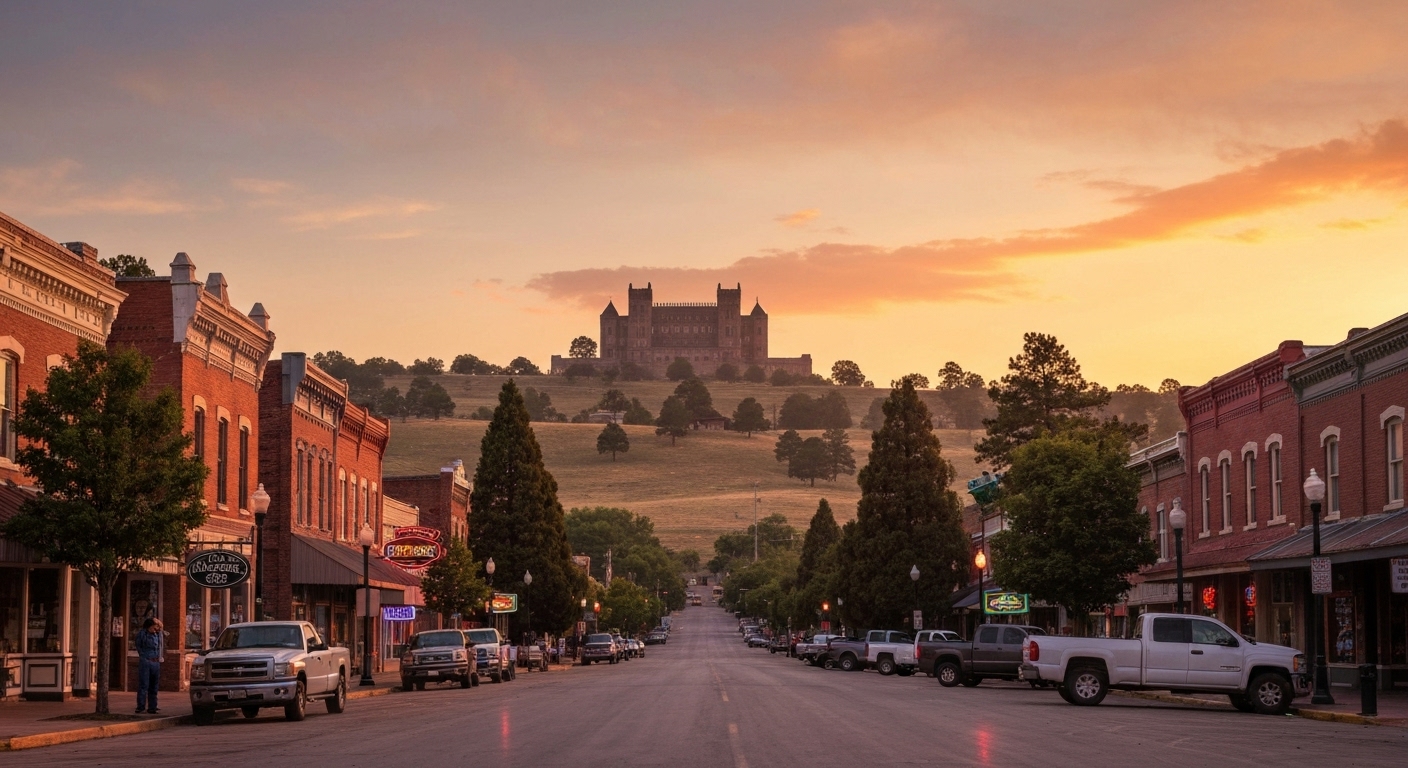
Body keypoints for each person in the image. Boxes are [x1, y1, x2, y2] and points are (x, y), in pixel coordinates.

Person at [135, 618, 165, 714]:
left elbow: (161, 628)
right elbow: (138, 646)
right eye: (154, 626)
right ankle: (141, 706)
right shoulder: (142, 634)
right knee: (144, 685)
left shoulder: (158, 634)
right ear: (149, 626)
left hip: (155, 661)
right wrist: (143, 656)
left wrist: (157, 622)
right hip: (146, 660)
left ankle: (152, 706)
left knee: (154, 686)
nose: (155, 628)